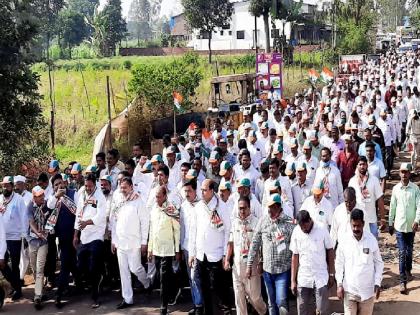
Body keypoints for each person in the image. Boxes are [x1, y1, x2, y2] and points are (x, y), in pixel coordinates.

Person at [188, 179, 231, 315]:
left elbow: (227, 231)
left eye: (205, 190)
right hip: (201, 255)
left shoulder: (221, 206)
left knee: (217, 288)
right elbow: (193, 231)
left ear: (212, 191)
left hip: (216, 255)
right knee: (204, 288)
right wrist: (191, 253)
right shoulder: (198, 207)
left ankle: (226, 311)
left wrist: (225, 254)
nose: (202, 192)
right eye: (201, 189)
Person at [247, 194, 295, 315]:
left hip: (283, 271)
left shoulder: (289, 223)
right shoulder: (263, 221)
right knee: (271, 303)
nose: (269, 210)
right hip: (267, 271)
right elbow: (255, 243)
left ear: (279, 207)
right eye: (268, 207)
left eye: (272, 207)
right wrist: (249, 264)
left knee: (281, 302)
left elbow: (296, 249)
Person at [110, 177, 151, 309]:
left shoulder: (138, 201)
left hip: (134, 242)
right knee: (124, 272)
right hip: (120, 242)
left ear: (131, 187)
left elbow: (145, 222)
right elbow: (114, 221)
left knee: (135, 268)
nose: (123, 190)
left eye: (125, 187)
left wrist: (144, 242)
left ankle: (147, 283)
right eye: (121, 187)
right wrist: (113, 240)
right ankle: (128, 299)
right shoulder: (118, 200)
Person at [335, 209, 384, 315]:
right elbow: (339, 263)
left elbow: (379, 263)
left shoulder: (371, 240)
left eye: (358, 226)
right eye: (354, 226)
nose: (356, 229)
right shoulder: (344, 241)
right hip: (350, 291)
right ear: (350, 224)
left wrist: (377, 283)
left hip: (367, 292)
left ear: (363, 224)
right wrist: (339, 284)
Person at [224, 196, 267, 315]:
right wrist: (227, 260)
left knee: (255, 298)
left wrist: (261, 262)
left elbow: (262, 245)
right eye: (239, 208)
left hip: (252, 266)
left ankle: (264, 311)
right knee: (239, 299)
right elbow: (231, 243)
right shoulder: (235, 223)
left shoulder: (257, 222)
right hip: (237, 266)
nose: (241, 211)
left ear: (249, 208)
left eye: (244, 208)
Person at [290, 210, 335, 315]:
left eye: (305, 227)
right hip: (303, 277)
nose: (303, 230)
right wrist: (293, 280)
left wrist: (332, 273)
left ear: (309, 221)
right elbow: (295, 256)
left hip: (320, 277)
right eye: (301, 227)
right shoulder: (296, 231)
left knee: (322, 311)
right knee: (302, 310)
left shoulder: (321, 228)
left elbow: (330, 250)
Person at [73, 174, 107, 308]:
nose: (87, 188)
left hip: (96, 236)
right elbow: (78, 215)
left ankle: (95, 297)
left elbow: (101, 216)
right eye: (86, 185)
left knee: (93, 267)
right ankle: (100, 276)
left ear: (95, 184)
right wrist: (75, 235)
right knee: (81, 266)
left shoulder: (100, 197)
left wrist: (87, 222)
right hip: (84, 236)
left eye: (90, 186)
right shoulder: (82, 195)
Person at [46, 174, 79, 307]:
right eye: (55, 184)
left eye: (60, 183)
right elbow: (49, 205)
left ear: (65, 182)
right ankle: (75, 284)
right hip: (62, 237)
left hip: (75, 235)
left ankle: (60, 293)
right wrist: (57, 195)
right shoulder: (53, 197)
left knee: (67, 262)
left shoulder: (73, 193)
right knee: (68, 262)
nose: (59, 186)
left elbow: (79, 211)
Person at [148, 186, 181, 315]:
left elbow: (177, 231)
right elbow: (152, 230)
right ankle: (175, 289)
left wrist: (177, 250)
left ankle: (163, 306)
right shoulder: (154, 209)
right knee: (161, 276)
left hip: (167, 250)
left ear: (165, 196)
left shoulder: (171, 209)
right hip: (156, 249)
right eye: (155, 196)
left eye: (159, 196)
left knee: (163, 278)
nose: (157, 199)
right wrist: (150, 249)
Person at [389, 163, 420, 294]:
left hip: (411, 226)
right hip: (400, 226)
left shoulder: (415, 189)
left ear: (409, 173)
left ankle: (408, 269)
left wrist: (417, 221)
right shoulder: (396, 189)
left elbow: (419, 206)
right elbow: (392, 207)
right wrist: (390, 222)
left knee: (409, 251)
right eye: (402, 172)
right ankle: (402, 281)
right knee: (402, 252)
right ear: (399, 173)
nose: (403, 174)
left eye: (406, 172)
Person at [0, 176, 27, 301]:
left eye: (8, 185)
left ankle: (18, 290)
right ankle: (15, 284)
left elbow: (24, 218)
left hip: (15, 236)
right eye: (4, 185)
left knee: (15, 264)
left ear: (12, 186)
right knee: (2, 264)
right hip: (2, 236)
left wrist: (24, 236)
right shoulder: (0, 198)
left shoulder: (18, 199)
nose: (6, 187)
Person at [180, 180, 203, 315]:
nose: (187, 194)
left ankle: (200, 305)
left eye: (189, 191)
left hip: (198, 247)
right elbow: (182, 228)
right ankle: (196, 304)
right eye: (185, 191)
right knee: (191, 277)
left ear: (195, 190)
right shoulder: (183, 206)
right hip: (186, 247)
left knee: (196, 276)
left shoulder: (201, 205)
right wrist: (181, 246)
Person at [27, 186, 52, 309]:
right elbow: (31, 222)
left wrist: (45, 232)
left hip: (43, 241)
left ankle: (37, 296)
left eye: (42, 195)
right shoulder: (30, 206)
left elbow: (52, 219)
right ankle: (40, 289)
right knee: (34, 268)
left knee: (40, 268)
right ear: (34, 197)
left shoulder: (47, 205)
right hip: (32, 240)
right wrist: (37, 232)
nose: (41, 197)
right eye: (38, 196)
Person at [348, 156, 386, 237]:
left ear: (367, 165)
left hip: (371, 218)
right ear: (357, 166)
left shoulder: (374, 180)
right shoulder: (352, 181)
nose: (362, 166)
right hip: (357, 220)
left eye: (364, 164)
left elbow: (380, 199)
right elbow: (349, 200)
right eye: (360, 164)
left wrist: (382, 218)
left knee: (372, 245)